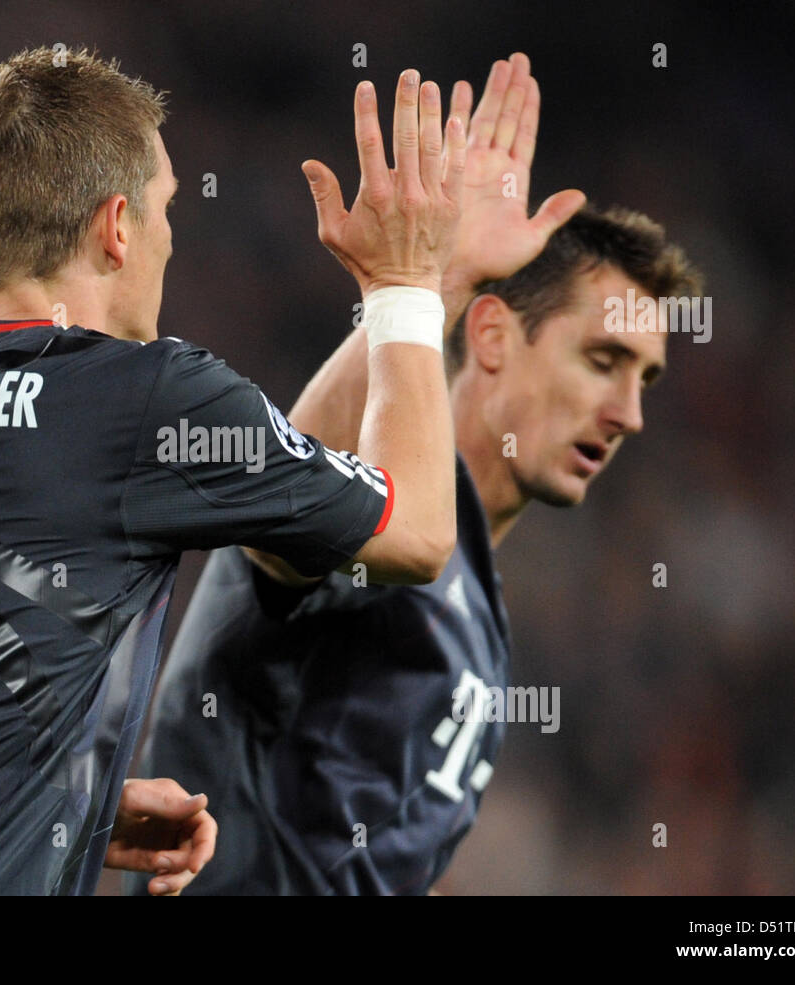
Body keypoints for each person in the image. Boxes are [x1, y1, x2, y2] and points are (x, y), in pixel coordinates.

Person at [0, 45, 470, 895]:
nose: (168, 238)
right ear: (117, 226)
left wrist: (64, 803)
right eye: (165, 210)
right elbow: (415, 532)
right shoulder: (142, 395)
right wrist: (407, 283)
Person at [128, 53, 703, 895]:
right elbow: (278, 512)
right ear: (497, 337)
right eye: (604, 359)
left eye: (644, 378)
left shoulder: (482, 613)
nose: (628, 412)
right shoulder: (386, 523)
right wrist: (431, 282)